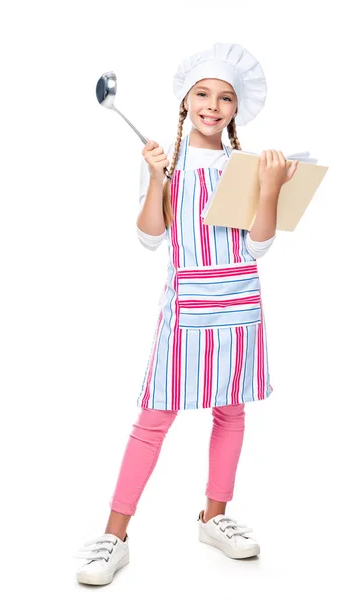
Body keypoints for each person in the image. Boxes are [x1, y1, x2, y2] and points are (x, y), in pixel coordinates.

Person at [75, 41, 299, 586]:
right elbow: (150, 237)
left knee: (231, 413)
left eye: (225, 97)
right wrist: (156, 179)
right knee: (153, 421)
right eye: (203, 93)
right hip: (186, 309)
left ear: (235, 110)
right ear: (184, 101)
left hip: (240, 305)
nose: (213, 105)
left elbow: (260, 246)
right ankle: (114, 536)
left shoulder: (248, 168)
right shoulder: (167, 165)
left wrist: (269, 188)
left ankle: (214, 518)